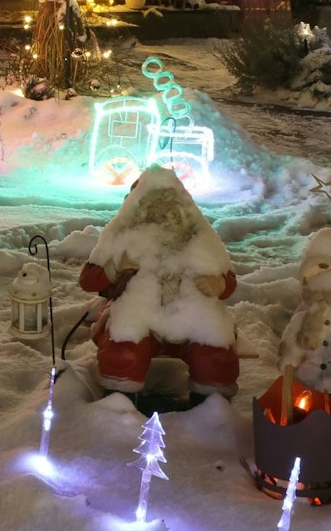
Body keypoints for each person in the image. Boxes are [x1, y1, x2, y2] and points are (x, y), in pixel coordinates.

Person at [80, 166, 239, 399]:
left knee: (216, 359)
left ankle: (212, 412)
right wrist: (115, 268)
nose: (165, 220)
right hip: (140, 317)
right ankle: (117, 407)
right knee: (123, 354)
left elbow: (228, 278)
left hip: (192, 317)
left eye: (172, 213)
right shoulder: (126, 238)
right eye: (156, 213)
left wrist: (219, 284)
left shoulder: (199, 240)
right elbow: (88, 279)